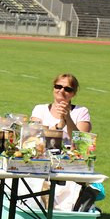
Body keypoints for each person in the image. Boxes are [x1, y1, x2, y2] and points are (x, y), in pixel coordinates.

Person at [27, 73, 93, 210]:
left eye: (67, 89)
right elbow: (33, 138)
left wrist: (68, 119)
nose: (62, 91)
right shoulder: (40, 109)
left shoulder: (81, 111)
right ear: (53, 88)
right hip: (41, 160)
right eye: (58, 86)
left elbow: (82, 144)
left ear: (73, 93)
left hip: (69, 164)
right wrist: (58, 126)